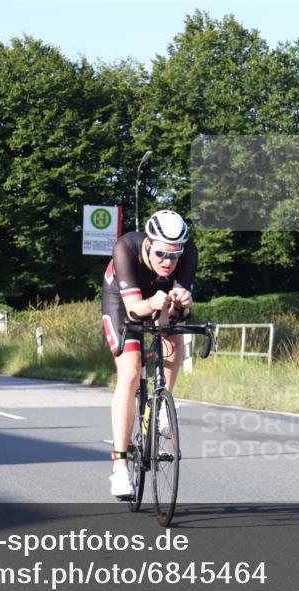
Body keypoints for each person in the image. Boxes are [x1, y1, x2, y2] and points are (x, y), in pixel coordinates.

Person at [101, 210, 197, 498]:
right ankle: (120, 467)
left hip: (160, 297)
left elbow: (181, 310)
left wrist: (184, 302)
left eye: (174, 255)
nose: (168, 262)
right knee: (130, 372)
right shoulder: (125, 248)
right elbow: (133, 310)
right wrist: (151, 303)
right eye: (161, 254)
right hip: (122, 299)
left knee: (174, 337)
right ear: (147, 244)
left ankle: (162, 407)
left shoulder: (188, 253)